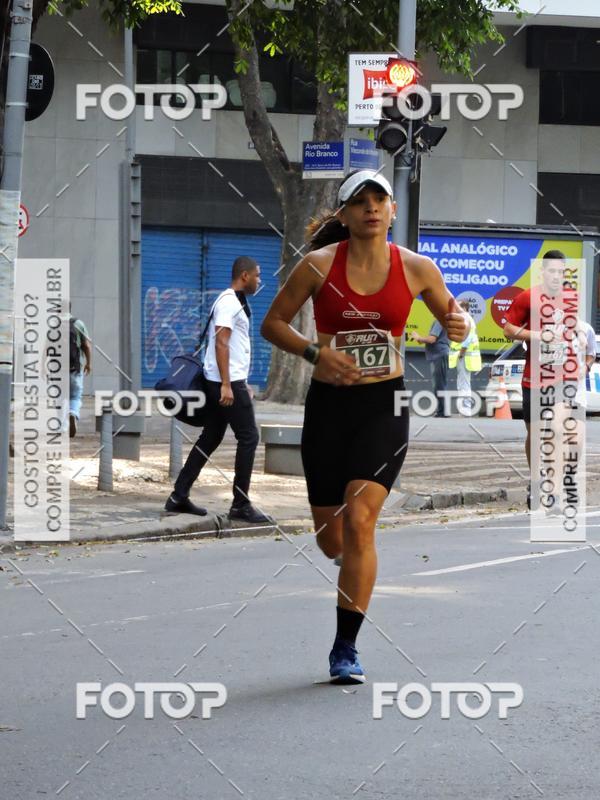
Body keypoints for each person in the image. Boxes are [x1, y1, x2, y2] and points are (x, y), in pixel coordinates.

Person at [261, 169, 468, 684]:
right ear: (345, 213)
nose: (371, 208)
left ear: (392, 210)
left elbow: (453, 317)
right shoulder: (317, 265)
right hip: (329, 407)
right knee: (333, 540)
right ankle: (350, 561)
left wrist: (458, 323)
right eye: (360, 201)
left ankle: (345, 649)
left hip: (385, 405)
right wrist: (316, 353)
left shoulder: (418, 268)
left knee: (360, 522)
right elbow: (273, 322)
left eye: (380, 199)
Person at [165, 256, 272, 524]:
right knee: (249, 437)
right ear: (244, 276)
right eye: (257, 275)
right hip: (224, 383)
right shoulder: (228, 303)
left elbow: (231, 347)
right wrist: (228, 384)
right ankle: (240, 504)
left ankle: (178, 496)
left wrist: (239, 381)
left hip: (226, 379)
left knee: (211, 436)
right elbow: (221, 344)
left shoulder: (233, 301)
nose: (260, 280)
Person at [503, 250, 571, 511]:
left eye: (561, 271)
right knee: (535, 433)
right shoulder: (528, 297)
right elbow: (508, 330)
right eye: (552, 270)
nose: (556, 275)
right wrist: (537, 335)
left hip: (561, 377)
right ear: (543, 272)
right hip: (534, 378)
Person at [409, 317, 450, 417]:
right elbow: (430, 340)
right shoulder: (440, 321)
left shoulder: (439, 321)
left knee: (439, 384)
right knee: (438, 384)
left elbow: (432, 339)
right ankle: (442, 411)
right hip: (437, 355)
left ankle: (443, 412)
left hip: (439, 355)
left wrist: (419, 338)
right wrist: (420, 339)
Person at [448, 300, 481, 416]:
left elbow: (468, 338)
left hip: (464, 356)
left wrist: (461, 353)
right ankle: (464, 408)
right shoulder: (467, 319)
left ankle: (466, 409)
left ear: (464, 308)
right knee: (462, 383)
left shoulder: (465, 319)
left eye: (458, 306)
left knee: (464, 384)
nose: (455, 309)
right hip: (465, 356)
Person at [68, 306, 91, 438]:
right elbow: (86, 346)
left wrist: (43, 366)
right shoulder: (78, 324)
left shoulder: (53, 324)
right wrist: (89, 363)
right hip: (75, 368)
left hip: (58, 370)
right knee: (75, 396)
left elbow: (46, 348)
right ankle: (73, 413)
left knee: (59, 398)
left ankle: (60, 426)